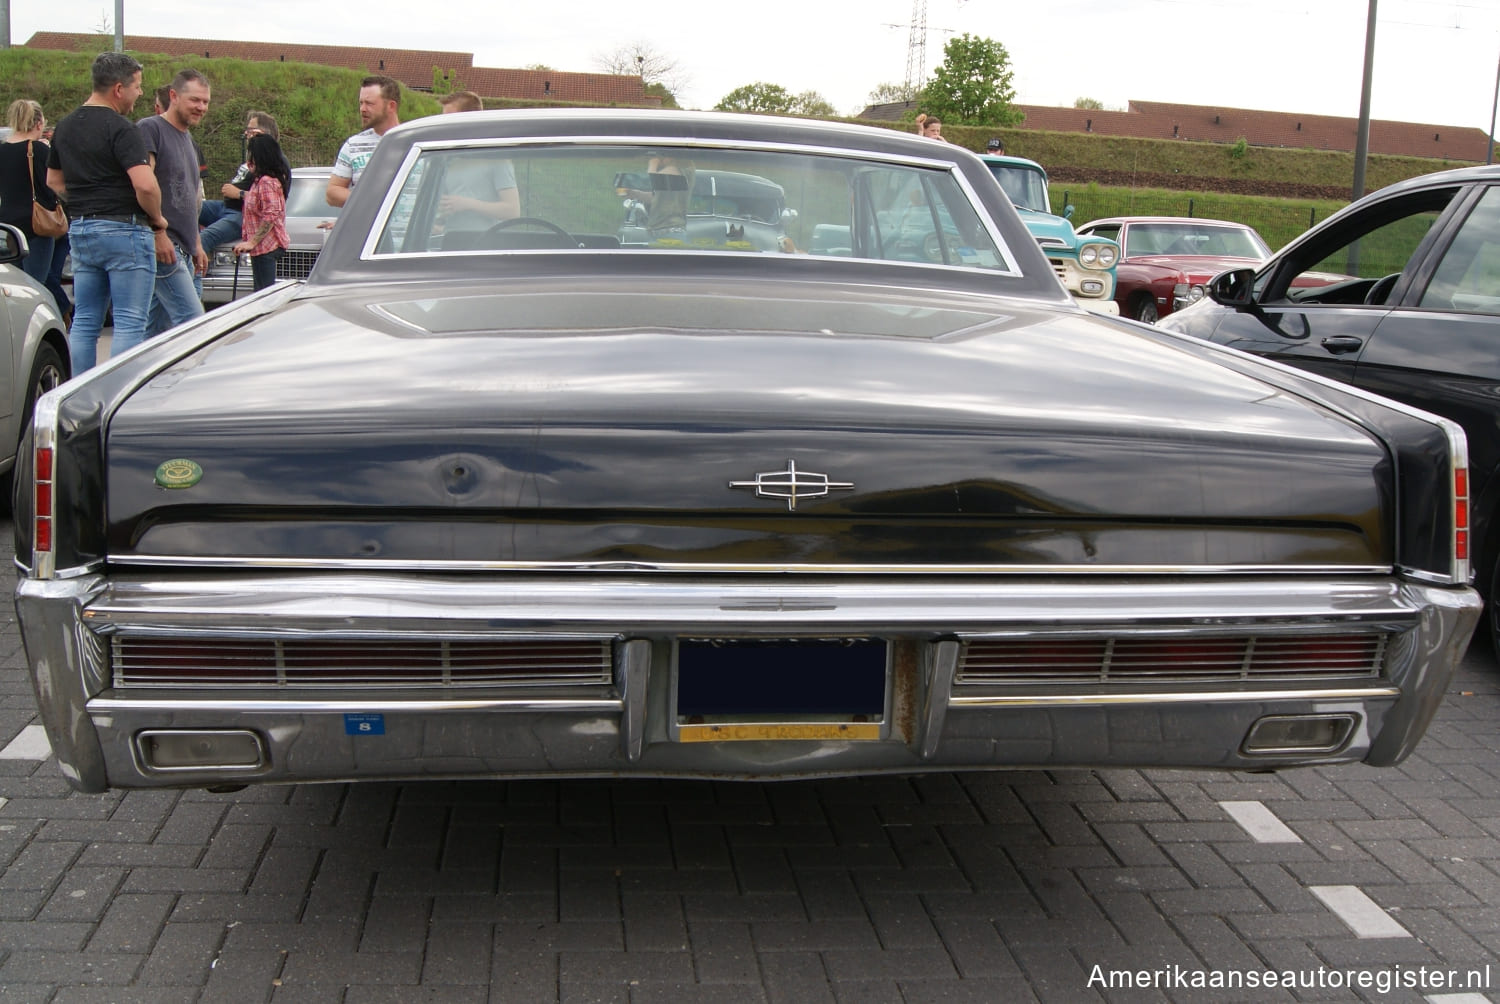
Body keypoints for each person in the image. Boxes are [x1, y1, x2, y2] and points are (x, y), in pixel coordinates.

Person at [46, 51, 171, 371]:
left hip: (82, 230)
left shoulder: (65, 126)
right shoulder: (122, 128)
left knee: (86, 320)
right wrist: (157, 220)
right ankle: (115, 399)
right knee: (130, 321)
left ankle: (78, 395)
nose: (140, 93)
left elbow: (54, 181)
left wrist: (86, 201)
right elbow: (145, 185)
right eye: (137, 86)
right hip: (125, 230)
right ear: (118, 88)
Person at [139, 68, 211, 336]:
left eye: (205, 102)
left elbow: (189, 198)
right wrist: (158, 234)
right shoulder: (150, 129)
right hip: (163, 247)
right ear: (173, 96)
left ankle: (143, 376)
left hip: (184, 247)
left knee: (155, 333)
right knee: (193, 327)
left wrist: (197, 242)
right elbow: (142, 186)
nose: (201, 107)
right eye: (194, 100)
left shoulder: (188, 139)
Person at [0, 100, 63, 295]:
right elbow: (52, 185)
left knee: (14, 287)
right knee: (36, 285)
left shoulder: (2, 150)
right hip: (36, 226)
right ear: (38, 124)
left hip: (7, 227)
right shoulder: (39, 150)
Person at [435, 90, 519, 238]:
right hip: (450, 243)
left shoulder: (497, 159)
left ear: (471, 120)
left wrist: (468, 204)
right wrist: (438, 222)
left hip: (484, 246)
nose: (444, 126)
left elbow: (512, 211)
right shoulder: (445, 159)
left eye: (450, 120)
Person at [199, 110, 280, 255]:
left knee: (205, 237)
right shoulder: (252, 159)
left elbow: (271, 202)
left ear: (262, 133)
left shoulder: (272, 162)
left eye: (250, 130)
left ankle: (194, 273)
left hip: (241, 215)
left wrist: (239, 193)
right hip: (223, 207)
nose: (246, 134)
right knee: (187, 208)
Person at [326, 75, 400, 207]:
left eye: (369, 103)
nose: (362, 109)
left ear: (391, 106)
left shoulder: (414, 142)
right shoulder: (353, 145)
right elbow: (332, 193)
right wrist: (369, 199)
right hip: (371, 227)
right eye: (361, 103)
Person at [232, 133, 290, 291]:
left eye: (251, 153)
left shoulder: (267, 182)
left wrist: (252, 242)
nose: (248, 159)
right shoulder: (258, 181)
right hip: (259, 249)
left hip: (267, 247)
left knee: (264, 295)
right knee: (259, 292)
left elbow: (271, 215)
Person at [624, 151, 693, 240]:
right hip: (659, 232)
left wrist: (653, 163)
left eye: (661, 155)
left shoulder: (680, 169)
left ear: (671, 157)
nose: (660, 159)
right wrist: (635, 194)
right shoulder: (670, 177)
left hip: (670, 232)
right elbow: (657, 198)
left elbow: (651, 181)